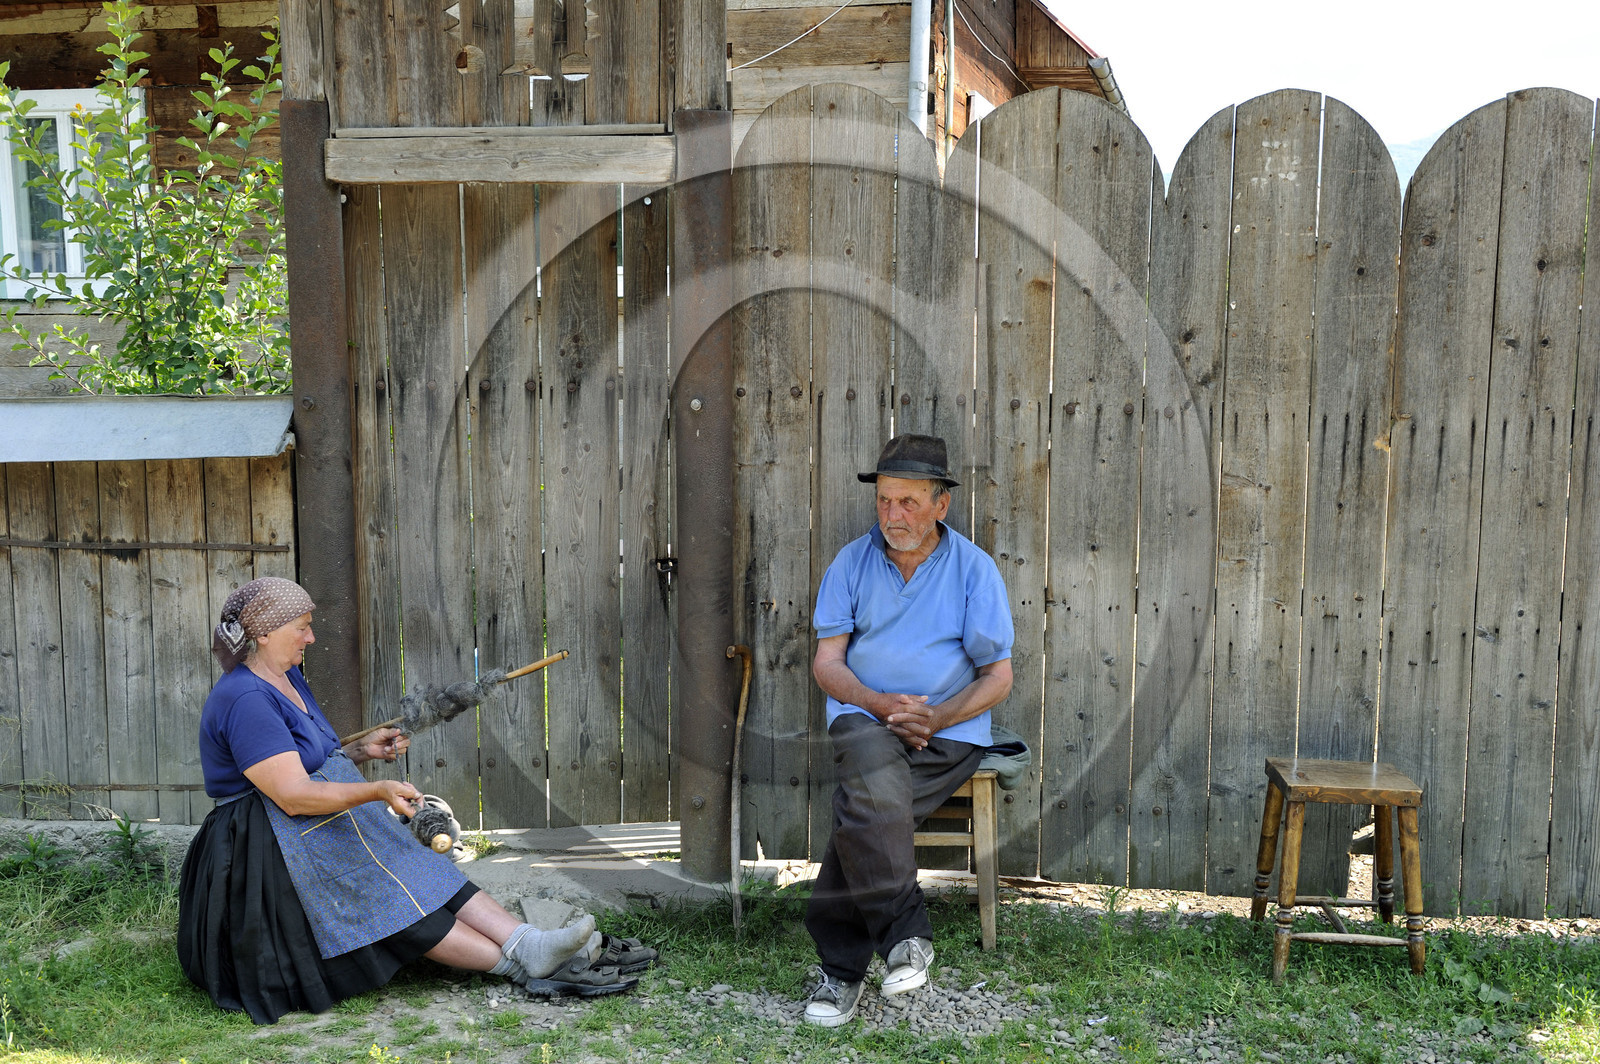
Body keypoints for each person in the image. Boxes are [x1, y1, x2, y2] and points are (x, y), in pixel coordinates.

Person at [178, 577, 655, 1025]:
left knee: (414, 864)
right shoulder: (245, 699)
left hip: (303, 819)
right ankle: (519, 965)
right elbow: (293, 794)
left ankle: (527, 942)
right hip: (265, 843)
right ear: (263, 633)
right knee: (383, 890)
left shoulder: (285, 677)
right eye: (302, 628)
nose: (311, 639)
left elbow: (306, 760)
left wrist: (361, 752)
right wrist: (378, 790)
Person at [801, 434, 1015, 1027]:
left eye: (909, 503)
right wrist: (878, 703)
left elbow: (999, 676)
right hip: (865, 721)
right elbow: (828, 663)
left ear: (940, 504)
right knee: (872, 775)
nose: (893, 515)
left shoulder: (975, 569)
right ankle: (906, 937)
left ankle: (839, 974)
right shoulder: (851, 561)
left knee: (862, 810)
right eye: (885, 502)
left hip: (948, 732)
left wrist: (935, 716)